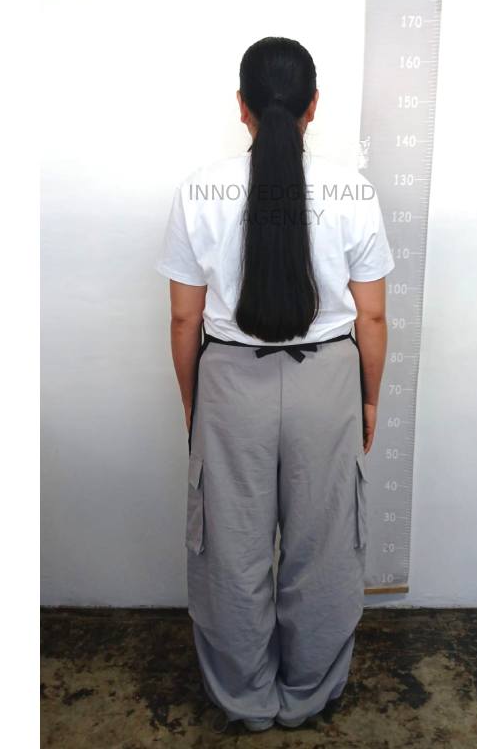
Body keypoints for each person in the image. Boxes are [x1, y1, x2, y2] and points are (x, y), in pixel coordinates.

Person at [154, 36, 395, 733]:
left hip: (231, 385)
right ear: (314, 106)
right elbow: (372, 315)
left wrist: (194, 402)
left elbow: (184, 317)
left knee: (230, 549)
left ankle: (245, 698)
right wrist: (368, 397)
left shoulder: (199, 190)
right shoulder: (353, 191)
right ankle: (308, 693)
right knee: (325, 548)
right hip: (328, 384)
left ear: (242, 106)